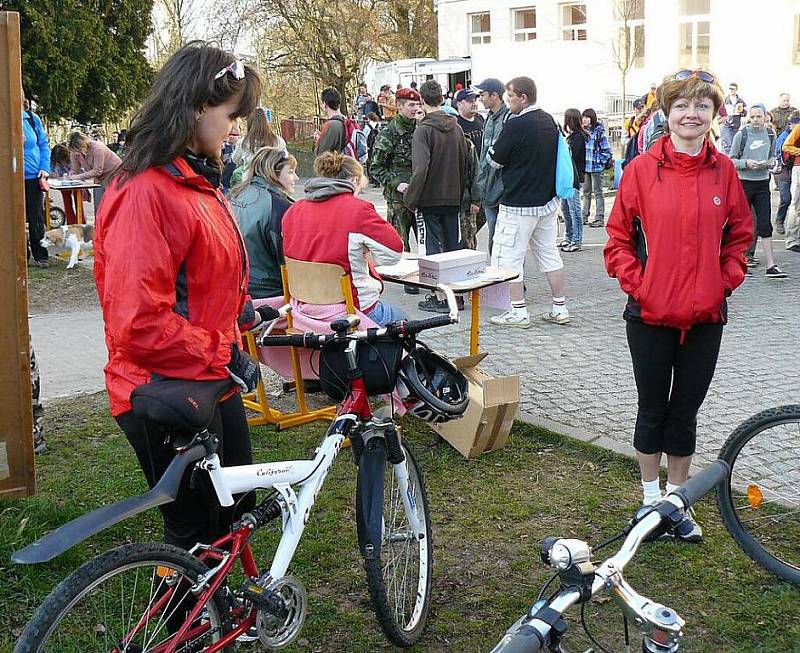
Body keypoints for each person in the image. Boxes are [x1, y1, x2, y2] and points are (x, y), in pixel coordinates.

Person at [93, 42, 264, 551]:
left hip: (210, 377)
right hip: (159, 389)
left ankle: (225, 618)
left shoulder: (197, 180)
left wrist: (245, 312)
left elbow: (203, 274)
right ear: (194, 109)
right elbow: (139, 322)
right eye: (233, 116)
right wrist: (222, 351)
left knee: (235, 507)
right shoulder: (146, 190)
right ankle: (177, 629)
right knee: (194, 528)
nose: (237, 129)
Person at [604, 69, 752, 543]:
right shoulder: (641, 171)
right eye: (682, 106)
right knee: (652, 409)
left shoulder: (724, 171)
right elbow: (617, 240)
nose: (691, 114)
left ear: (714, 114)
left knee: (685, 411)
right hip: (648, 316)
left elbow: (741, 237)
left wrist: (722, 283)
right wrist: (640, 285)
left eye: (701, 106)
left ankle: (677, 500)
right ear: (666, 115)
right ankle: (650, 503)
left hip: (705, 317)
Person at [282, 152, 405, 326]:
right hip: (350, 309)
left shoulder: (293, 210)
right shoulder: (358, 210)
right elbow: (394, 253)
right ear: (354, 180)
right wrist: (362, 257)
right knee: (403, 320)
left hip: (304, 309)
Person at [487, 76, 570, 328]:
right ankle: (559, 306)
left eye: (510, 96)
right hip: (547, 201)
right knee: (549, 253)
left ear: (523, 98)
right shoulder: (550, 121)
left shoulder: (516, 124)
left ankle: (518, 310)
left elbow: (495, 160)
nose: (507, 101)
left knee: (507, 257)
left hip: (518, 203)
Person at [404, 80, 468, 313]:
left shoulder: (423, 130)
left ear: (422, 100)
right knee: (453, 247)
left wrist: (411, 198)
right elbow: (465, 163)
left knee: (431, 249)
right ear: (442, 98)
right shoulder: (457, 128)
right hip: (453, 195)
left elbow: (421, 168)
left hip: (429, 198)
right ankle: (456, 295)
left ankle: (438, 297)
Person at [230, 147, 299, 299]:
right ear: (273, 172)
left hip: (237, 284)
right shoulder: (279, 206)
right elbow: (290, 259)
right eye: (291, 172)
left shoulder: (235, 194)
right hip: (269, 291)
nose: (296, 178)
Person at [730, 103, 787, 278]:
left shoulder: (770, 133)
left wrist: (771, 163)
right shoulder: (742, 134)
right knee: (742, 223)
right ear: (749, 117)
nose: (756, 120)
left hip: (763, 182)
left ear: (765, 117)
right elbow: (731, 159)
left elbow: (772, 156)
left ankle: (771, 264)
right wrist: (746, 163)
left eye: (759, 116)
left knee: (765, 223)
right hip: (744, 182)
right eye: (753, 117)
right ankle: (738, 260)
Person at [370, 87, 421, 259]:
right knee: (401, 245)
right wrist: (396, 183)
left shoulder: (422, 129)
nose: (416, 109)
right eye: (411, 105)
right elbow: (376, 167)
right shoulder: (389, 133)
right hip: (398, 200)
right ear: (399, 106)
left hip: (421, 197)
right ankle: (410, 285)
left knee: (426, 244)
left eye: (417, 104)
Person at [475, 78, 510, 255]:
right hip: (488, 189)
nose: (480, 99)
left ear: (495, 95)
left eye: (482, 95)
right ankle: (497, 276)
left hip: (503, 191)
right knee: (493, 236)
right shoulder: (488, 118)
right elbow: (484, 156)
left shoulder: (509, 117)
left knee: (504, 239)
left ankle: (510, 279)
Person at [22, 95, 51, 268]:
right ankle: (20, 255)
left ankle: (41, 255)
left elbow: (43, 144)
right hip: (10, 179)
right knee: (13, 218)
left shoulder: (32, 119)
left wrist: (45, 167)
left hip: (33, 176)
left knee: (36, 217)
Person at [454, 88, 484, 250]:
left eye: (476, 100)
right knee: (468, 232)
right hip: (466, 187)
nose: (474, 103)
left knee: (482, 218)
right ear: (459, 104)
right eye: (470, 100)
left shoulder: (480, 120)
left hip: (483, 181)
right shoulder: (457, 125)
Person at [67, 130, 121, 209]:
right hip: (99, 179)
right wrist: (70, 175)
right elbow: (74, 169)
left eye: (78, 150)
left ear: (83, 145)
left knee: (112, 205)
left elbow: (97, 171)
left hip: (114, 174)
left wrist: (77, 177)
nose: (76, 153)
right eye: (74, 151)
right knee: (98, 206)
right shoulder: (74, 152)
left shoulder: (97, 148)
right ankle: (99, 220)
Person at [559, 108, 587, 252]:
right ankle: (568, 236)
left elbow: (572, 156)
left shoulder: (578, 137)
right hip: (567, 177)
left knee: (574, 209)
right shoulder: (570, 136)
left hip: (575, 177)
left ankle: (577, 240)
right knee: (565, 208)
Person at [581, 108, 612, 227]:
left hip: (596, 167)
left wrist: (600, 161)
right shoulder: (583, 132)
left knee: (598, 192)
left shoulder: (598, 131)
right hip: (586, 167)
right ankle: (584, 216)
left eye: (587, 117)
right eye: (583, 117)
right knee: (586, 192)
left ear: (592, 118)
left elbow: (606, 150)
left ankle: (599, 218)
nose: (584, 119)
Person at [774, 111, 800, 235]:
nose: (795, 125)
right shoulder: (784, 136)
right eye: (794, 123)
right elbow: (782, 150)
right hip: (785, 170)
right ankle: (780, 222)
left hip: (793, 169)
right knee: (787, 199)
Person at [50, 143, 80, 225]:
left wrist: (72, 175)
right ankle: (71, 223)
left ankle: (81, 223)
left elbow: (80, 169)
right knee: (67, 204)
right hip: (62, 184)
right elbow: (50, 171)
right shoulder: (53, 160)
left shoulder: (73, 156)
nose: (62, 163)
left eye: (63, 160)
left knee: (78, 204)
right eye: (59, 161)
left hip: (75, 183)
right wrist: (53, 174)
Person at [720, 82, 746, 154]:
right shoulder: (724, 100)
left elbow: (745, 114)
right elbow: (717, 112)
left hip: (736, 125)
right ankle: (726, 163)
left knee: (735, 145)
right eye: (730, 89)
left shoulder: (741, 101)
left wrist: (741, 111)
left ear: (736, 90)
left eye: (733, 89)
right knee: (727, 145)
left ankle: (731, 162)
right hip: (725, 125)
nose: (731, 90)